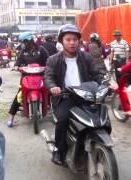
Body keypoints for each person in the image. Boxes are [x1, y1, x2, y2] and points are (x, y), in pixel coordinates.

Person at [44, 24, 105, 165]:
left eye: (75, 39)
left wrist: (106, 82)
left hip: (87, 95)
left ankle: (98, 142)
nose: (72, 42)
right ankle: (59, 150)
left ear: (79, 41)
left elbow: (97, 73)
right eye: (68, 39)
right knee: (63, 120)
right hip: (65, 97)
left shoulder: (86, 57)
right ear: (61, 41)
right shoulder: (53, 59)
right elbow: (48, 76)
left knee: (101, 117)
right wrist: (53, 87)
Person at [6, 32, 49, 127]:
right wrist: (16, 66)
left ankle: (53, 111)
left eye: (24, 41)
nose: (23, 44)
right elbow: (18, 61)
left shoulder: (41, 49)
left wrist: (48, 66)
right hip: (26, 77)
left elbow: (48, 60)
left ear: (30, 41)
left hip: (40, 76)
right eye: (22, 42)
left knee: (49, 91)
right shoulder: (23, 51)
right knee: (19, 95)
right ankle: (11, 118)